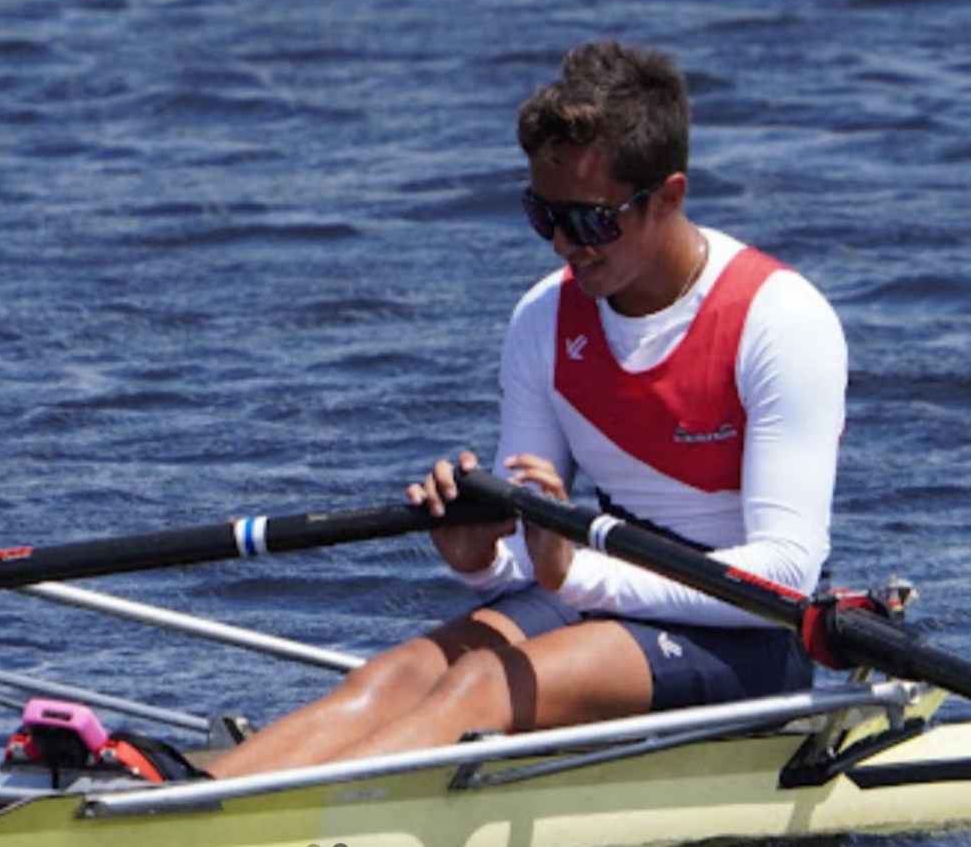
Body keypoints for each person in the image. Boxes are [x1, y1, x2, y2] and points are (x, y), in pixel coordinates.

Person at [208, 40, 847, 778]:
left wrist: (575, 574)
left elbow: (783, 577)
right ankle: (188, 799)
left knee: (483, 682)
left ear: (669, 196)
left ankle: (291, 819)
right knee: (396, 676)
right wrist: (483, 559)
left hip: (750, 634)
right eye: (544, 215)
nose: (565, 245)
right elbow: (537, 563)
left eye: (592, 220)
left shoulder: (779, 320)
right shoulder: (544, 320)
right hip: (602, 597)